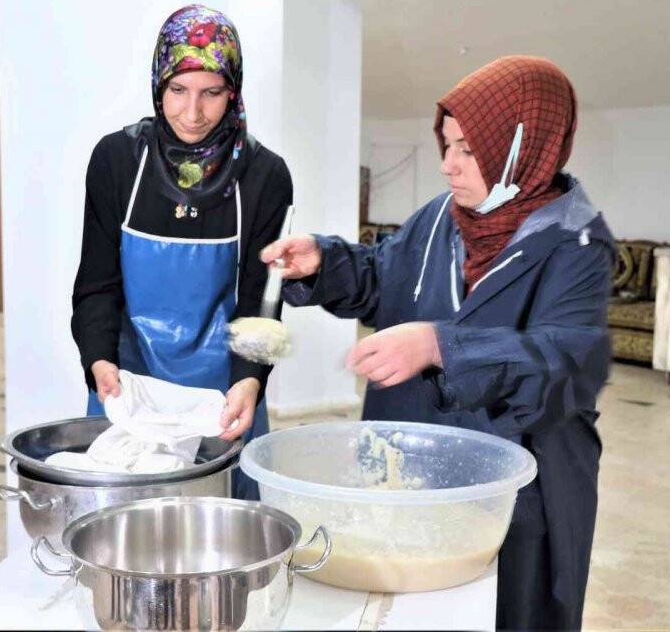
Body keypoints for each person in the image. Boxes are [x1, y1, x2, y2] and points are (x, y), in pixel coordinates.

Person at [262, 55, 613, 630]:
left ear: (523, 147)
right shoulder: (443, 218)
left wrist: (441, 346)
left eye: (470, 150)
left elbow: (564, 362)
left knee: (507, 609)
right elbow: (383, 277)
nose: (448, 165)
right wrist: (324, 263)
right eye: (445, 145)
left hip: (518, 488)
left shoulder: (576, 244)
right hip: (411, 460)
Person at [71, 4, 292, 500]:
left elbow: (263, 299)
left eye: (212, 93)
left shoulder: (263, 175)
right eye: (178, 91)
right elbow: (96, 281)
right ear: (158, 85)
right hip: (127, 380)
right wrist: (98, 359)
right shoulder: (117, 161)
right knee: (126, 529)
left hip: (222, 393)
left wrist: (251, 381)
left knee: (223, 531)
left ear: (233, 89)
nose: (193, 114)